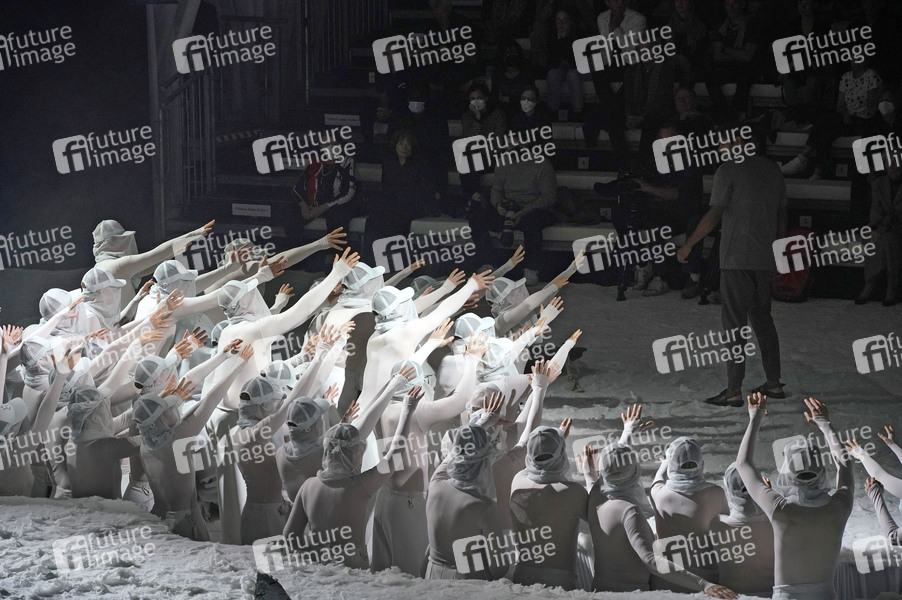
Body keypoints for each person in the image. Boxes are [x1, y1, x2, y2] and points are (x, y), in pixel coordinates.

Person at [677, 136, 787, 406]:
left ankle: (733, 389)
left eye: (722, 143)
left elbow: (715, 214)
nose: (719, 148)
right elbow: (782, 214)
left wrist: (689, 244)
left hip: (736, 257)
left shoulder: (727, 170)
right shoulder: (772, 169)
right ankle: (774, 383)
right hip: (765, 256)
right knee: (763, 320)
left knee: (734, 326)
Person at [586, 405, 738, 598]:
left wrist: (627, 434)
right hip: (633, 593)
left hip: (601, 588)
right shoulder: (629, 511)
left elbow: (613, 470)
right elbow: (650, 559)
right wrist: (704, 584)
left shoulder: (595, 497)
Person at [282, 367, 421, 569]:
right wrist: (407, 410)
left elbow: (289, 535)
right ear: (355, 452)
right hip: (352, 567)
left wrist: (317, 553)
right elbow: (394, 455)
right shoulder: (361, 486)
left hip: (318, 567)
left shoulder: (308, 486)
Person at [736, 394, 854, 600]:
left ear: (787, 473)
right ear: (821, 471)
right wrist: (825, 424)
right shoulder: (840, 506)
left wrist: (755, 418)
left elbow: (743, 464)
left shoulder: (780, 508)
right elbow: (845, 463)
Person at [133, 343, 251, 540]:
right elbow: (210, 400)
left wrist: (222, 356)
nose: (174, 408)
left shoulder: (146, 440)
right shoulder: (176, 439)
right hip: (184, 522)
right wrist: (239, 366)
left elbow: (186, 388)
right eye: (168, 410)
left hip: (158, 516)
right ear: (161, 418)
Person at [509, 420, 586, 590]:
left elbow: (540, 467)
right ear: (561, 455)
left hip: (522, 575)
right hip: (560, 580)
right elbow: (598, 518)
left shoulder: (518, 482)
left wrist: (548, 441)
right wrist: (589, 474)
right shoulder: (575, 492)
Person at [634, 123, 707, 298]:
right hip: (668, 213)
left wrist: (649, 188)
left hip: (688, 213)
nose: (667, 145)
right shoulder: (656, 161)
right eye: (663, 141)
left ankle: (694, 278)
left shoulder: (689, 161)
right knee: (651, 221)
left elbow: (677, 194)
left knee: (697, 223)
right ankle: (658, 276)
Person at [650, 436, 729, 591]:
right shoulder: (716, 493)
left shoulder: (658, 494)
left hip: (667, 579)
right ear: (701, 464)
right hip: (707, 577)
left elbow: (658, 479)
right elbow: (726, 531)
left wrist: (665, 463)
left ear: (672, 465)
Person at [782, 60, 884, 179]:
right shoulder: (846, 77)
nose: (856, 61)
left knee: (826, 126)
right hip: (847, 117)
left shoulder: (872, 76)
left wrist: (855, 114)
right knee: (824, 126)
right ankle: (814, 170)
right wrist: (846, 114)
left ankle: (803, 159)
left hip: (864, 119)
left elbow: (871, 106)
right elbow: (840, 104)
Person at [715, 462, 775, 596]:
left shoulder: (717, 524)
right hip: (772, 594)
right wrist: (768, 496)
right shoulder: (780, 522)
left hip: (733, 595)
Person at [705, 0, 762, 119]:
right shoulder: (722, 25)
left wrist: (726, 50)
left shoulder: (752, 24)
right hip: (728, 67)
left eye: (734, 3)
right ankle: (724, 113)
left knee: (744, 76)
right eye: (727, 4)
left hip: (747, 69)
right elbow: (717, 56)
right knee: (710, 79)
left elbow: (748, 57)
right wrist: (738, 54)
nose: (731, 8)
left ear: (742, 4)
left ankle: (736, 115)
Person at [856, 162, 902, 306]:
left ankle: (874, 284)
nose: (893, 168)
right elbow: (875, 213)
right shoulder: (878, 184)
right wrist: (882, 226)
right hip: (882, 228)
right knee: (872, 238)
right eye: (889, 164)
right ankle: (883, 284)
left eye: (896, 164)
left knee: (888, 240)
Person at [293, 149, 365, 237]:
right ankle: (297, 245)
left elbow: (348, 193)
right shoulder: (315, 161)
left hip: (337, 205)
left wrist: (321, 208)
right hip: (314, 205)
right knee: (290, 213)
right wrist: (304, 207)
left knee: (337, 216)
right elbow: (297, 188)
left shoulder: (346, 161)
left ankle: (333, 245)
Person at [542, 8, 584, 119]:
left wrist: (564, 40)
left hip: (576, 68)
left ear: (570, 22)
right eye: (558, 20)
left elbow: (575, 61)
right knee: (552, 74)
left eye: (564, 20)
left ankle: (577, 113)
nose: (561, 24)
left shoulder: (577, 35)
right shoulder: (550, 36)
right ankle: (553, 112)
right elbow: (551, 61)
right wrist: (559, 40)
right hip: (559, 68)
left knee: (573, 75)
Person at [668, 0, 708, 86]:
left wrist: (688, 61)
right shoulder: (669, 25)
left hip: (693, 66)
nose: (680, 2)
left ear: (690, 3)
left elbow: (701, 50)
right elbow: (666, 48)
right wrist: (678, 57)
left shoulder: (698, 25)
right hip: (673, 65)